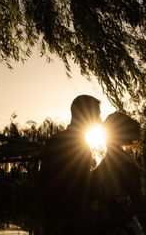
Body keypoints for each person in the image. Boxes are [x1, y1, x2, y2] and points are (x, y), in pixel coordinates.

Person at [37, 94, 102, 234]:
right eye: (97, 115)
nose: (100, 121)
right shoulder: (62, 142)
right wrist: (59, 221)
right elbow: (48, 182)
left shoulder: (76, 142)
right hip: (65, 223)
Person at [89, 111, 144, 235]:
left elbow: (138, 203)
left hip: (122, 229)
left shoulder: (125, 163)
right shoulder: (107, 160)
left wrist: (115, 221)